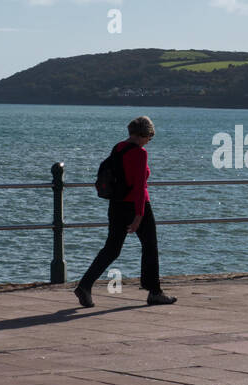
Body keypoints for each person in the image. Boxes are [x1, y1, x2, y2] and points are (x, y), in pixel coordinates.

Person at [74, 116, 177, 307]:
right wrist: (138, 216)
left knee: (112, 249)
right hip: (137, 205)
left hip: (116, 205)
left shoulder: (118, 148)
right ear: (144, 134)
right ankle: (154, 292)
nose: (149, 142)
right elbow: (139, 186)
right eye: (149, 137)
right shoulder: (140, 153)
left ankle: (85, 285)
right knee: (150, 247)